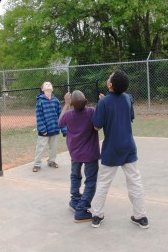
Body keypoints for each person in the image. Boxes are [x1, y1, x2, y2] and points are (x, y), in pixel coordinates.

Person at [90, 70, 149, 229]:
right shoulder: (127, 98)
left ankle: (97, 215)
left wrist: (102, 105)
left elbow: (96, 126)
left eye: (110, 77)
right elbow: (128, 115)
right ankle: (141, 216)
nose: (108, 77)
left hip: (111, 149)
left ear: (110, 84)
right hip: (128, 147)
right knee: (135, 182)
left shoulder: (103, 103)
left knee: (103, 182)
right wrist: (105, 103)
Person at [58, 90, 100, 223]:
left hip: (75, 153)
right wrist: (102, 101)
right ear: (86, 102)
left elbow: (59, 122)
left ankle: (75, 200)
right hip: (90, 153)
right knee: (91, 181)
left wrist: (66, 104)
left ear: (72, 103)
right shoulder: (91, 111)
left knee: (75, 176)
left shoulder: (69, 115)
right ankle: (81, 210)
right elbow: (98, 122)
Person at [32, 81, 67, 172]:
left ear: (52, 88)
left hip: (54, 128)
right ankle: (37, 164)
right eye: (46, 84)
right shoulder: (40, 101)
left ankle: (51, 161)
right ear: (43, 89)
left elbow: (61, 115)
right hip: (44, 130)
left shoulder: (56, 101)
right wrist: (42, 129)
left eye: (50, 84)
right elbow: (39, 116)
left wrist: (64, 129)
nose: (48, 84)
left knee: (53, 147)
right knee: (40, 147)